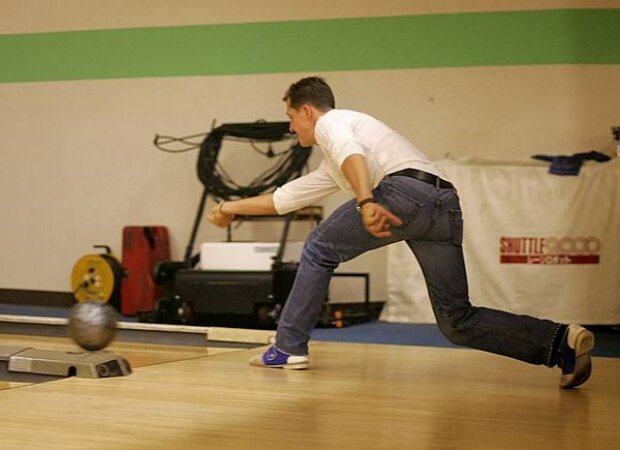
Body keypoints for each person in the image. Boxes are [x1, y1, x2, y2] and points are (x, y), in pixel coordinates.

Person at [207, 76, 594, 388]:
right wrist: (227, 208)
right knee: (456, 320)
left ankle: (288, 347)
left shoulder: (333, 123)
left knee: (318, 248)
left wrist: (366, 201)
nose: (291, 128)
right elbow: (285, 198)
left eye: (292, 118)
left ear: (308, 111)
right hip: (442, 203)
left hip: (402, 194)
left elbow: (351, 154)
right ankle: (560, 342)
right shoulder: (336, 159)